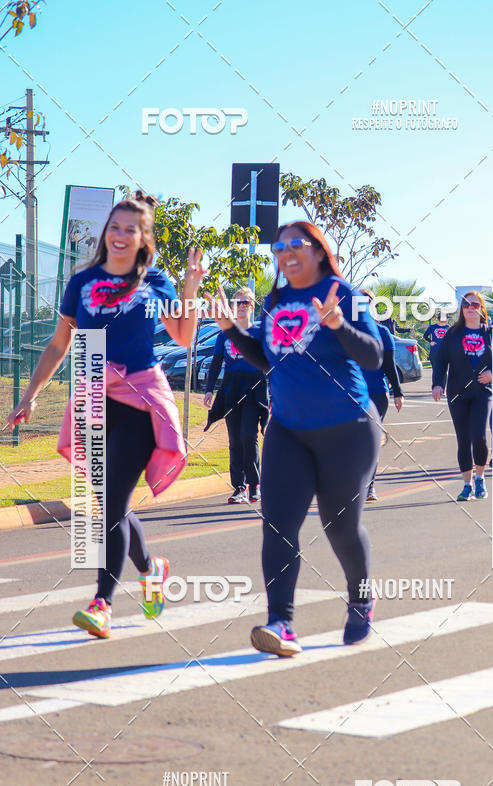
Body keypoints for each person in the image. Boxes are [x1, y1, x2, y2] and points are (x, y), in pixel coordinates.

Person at [6, 193, 205, 638]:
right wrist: (31, 394)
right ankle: (152, 568)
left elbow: (185, 336)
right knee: (111, 502)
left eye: (130, 230)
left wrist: (190, 288)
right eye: (114, 227)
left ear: (143, 238)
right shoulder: (83, 281)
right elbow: (60, 343)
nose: (119, 235)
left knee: (112, 505)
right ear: (106, 233)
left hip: (140, 398)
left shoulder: (157, 281)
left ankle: (103, 603)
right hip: (93, 394)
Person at [206, 221, 383, 656]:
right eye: (278, 245)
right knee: (278, 526)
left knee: (339, 527)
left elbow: (374, 355)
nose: (285, 252)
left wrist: (339, 325)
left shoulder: (344, 293)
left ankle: (361, 600)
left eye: (295, 244)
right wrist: (231, 329)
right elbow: (269, 359)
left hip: (348, 429)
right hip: (287, 430)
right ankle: (281, 623)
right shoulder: (278, 299)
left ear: (319, 251)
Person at [203, 287, 268, 504]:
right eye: (238, 302)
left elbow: (271, 363)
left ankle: (254, 486)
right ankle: (238, 487)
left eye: (246, 303)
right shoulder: (224, 334)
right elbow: (216, 362)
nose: (241, 306)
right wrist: (209, 389)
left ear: (252, 306)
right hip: (231, 389)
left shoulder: (259, 332)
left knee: (248, 436)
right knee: (234, 441)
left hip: (254, 389)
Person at [432, 291, 493, 501]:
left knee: (479, 435)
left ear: (481, 308)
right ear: (461, 309)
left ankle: (480, 478)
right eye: (466, 304)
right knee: (463, 439)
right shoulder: (453, 333)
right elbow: (440, 361)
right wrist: (437, 384)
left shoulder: (490, 332)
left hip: (482, 393)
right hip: (458, 393)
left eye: (475, 305)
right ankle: (467, 484)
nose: (470, 308)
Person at [360, 289, 404, 501]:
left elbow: (389, 366)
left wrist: (398, 392)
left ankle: (369, 486)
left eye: (367, 302)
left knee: (371, 439)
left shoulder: (383, 333)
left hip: (377, 394)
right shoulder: (343, 332)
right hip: (350, 396)